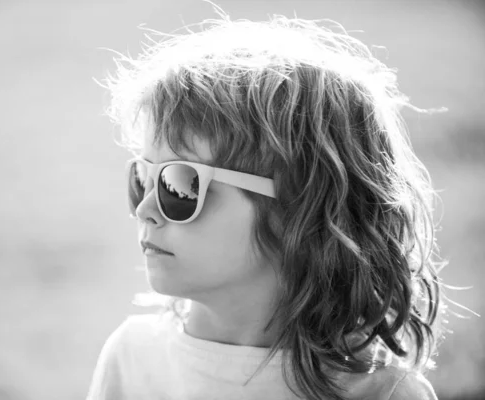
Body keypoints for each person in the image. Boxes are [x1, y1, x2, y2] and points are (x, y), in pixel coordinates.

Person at [88, 4, 444, 399]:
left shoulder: (383, 393)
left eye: (180, 185)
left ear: (298, 207)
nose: (144, 210)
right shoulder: (133, 360)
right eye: (143, 178)